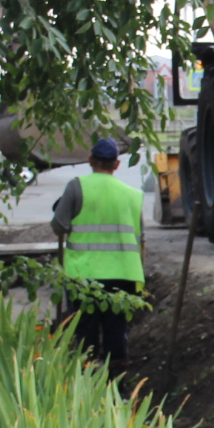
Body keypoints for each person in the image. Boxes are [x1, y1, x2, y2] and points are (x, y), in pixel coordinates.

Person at [51, 137, 144, 371]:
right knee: (116, 331)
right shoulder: (132, 195)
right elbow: (140, 240)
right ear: (117, 164)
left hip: (83, 276)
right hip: (123, 276)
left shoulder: (76, 187)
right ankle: (117, 388)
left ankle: (88, 386)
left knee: (85, 333)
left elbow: (58, 225)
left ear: (90, 160)